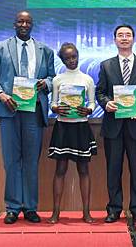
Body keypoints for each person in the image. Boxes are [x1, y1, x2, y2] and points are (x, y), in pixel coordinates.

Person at [0, 10, 56, 224]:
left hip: (33, 111)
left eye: (28, 21)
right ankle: (13, 207)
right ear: (14, 24)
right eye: (20, 21)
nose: (24, 24)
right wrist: (1, 95)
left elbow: (52, 77)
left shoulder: (45, 50)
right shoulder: (0, 48)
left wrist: (47, 84)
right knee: (11, 161)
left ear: (32, 25)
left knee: (31, 161)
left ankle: (30, 207)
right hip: (9, 110)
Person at [96, 24, 136, 224]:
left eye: (128, 35)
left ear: (133, 39)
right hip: (113, 125)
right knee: (113, 170)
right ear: (114, 40)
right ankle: (114, 209)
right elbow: (100, 92)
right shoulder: (106, 65)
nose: (124, 38)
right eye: (120, 35)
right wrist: (107, 103)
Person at [47, 43, 97, 224]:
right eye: (67, 58)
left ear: (78, 55)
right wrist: (56, 108)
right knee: (60, 170)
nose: (72, 60)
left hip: (81, 127)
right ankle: (56, 212)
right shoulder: (57, 80)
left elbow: (92, 103)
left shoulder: (87, 79)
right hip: (63, 127)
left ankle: (86, 212)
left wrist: (89, 110)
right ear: (62, 60)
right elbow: (52, 103)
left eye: (74, 56)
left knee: (84, 169)